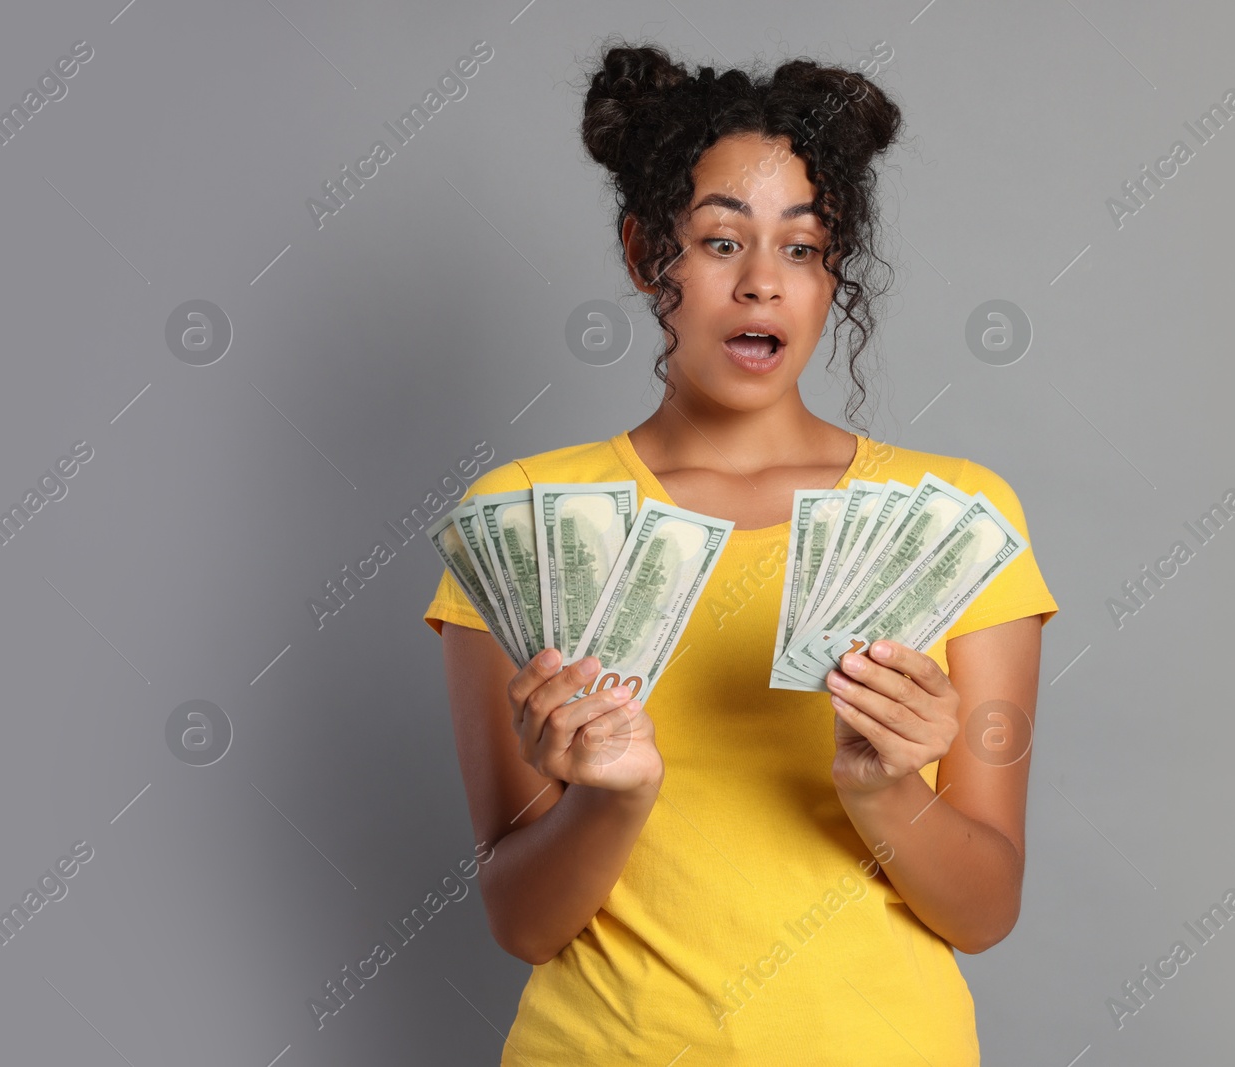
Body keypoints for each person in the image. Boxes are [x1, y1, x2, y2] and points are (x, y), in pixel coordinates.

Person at [423, 39, 1059, 1065]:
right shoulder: (531, 520)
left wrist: (885, 785)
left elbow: (983, 909)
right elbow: (522, 920)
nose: (763, 282)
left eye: (801, 249)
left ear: (830, 270)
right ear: (644, 253)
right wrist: (609, 794)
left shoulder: (956, 517)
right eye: (721, 242)